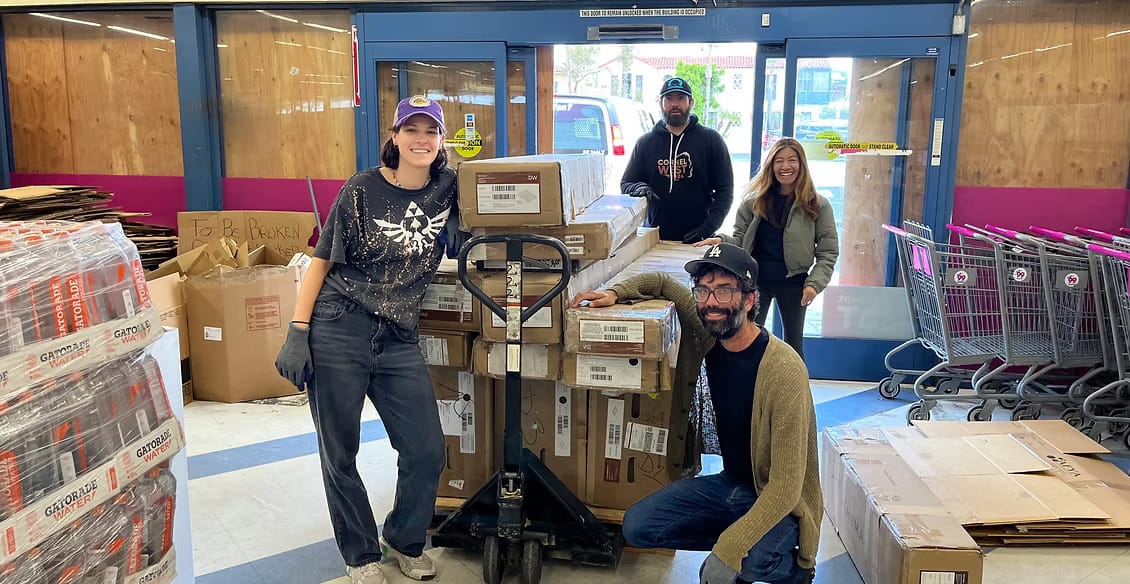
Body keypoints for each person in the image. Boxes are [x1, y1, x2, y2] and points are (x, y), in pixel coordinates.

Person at [274, 95, 465, 584]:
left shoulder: (449, 188)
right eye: (411, 130)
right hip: (339, 325)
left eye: (431, 131)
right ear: (394, 138)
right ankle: (360, 554)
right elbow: (321, 261)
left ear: (442, 141)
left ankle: (404, 538)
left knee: (426, 449)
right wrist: (298, 330)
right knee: (340, 452)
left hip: (398, 335)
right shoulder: (361, 189)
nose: (421, 139)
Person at [571, 243, 821, 584]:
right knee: (637, 526)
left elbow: (786, 488)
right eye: (703, 290)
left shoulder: (784, 370)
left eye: (724, 291)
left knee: (750, 562)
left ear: (749, 300)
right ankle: (740, 540)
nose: (711, 302)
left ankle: (794, 572)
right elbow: (662, 283)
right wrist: (615, 293)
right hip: (731, 484)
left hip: (777, 501)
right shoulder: (710, 335)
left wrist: (730, 550)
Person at [697, 137, 838, 358]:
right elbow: (740, 241)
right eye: (779, 161)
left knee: (793, 348)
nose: (785, 166)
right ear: (771, 166)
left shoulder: (817, 204)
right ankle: (750, 380)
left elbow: (828, 252)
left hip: (795, 285)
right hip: (755, 283)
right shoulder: (753, 202)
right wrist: (720, 241)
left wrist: (814, 284)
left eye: (792, 160)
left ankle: (794, 382)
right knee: (747, 341)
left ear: (801, 164)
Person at [620, 77, 734, 244]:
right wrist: (638, 188)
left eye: (680, 98)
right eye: (669, 99)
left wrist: (707, 229)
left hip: (699, 240)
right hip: (655, 238)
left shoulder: (711, 140)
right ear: (661, 103)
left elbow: (725, 191)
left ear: (691, 102)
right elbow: (626, 183)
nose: (675, 104)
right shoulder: (645, 143)